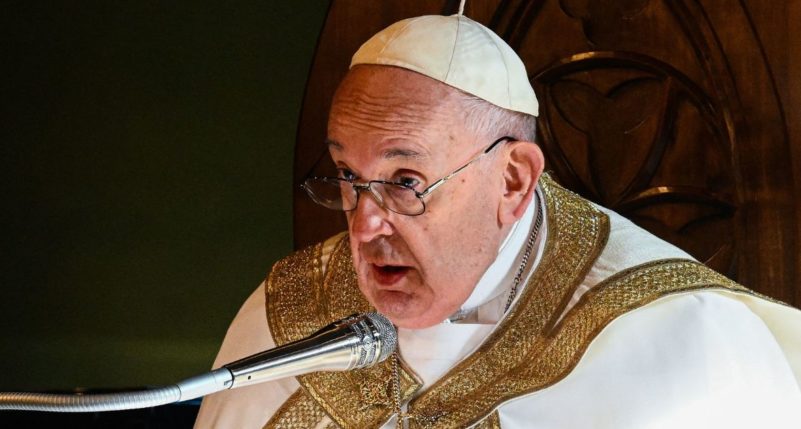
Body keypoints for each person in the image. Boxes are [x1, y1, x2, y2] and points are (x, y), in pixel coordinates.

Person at [195, 12, 801, 429]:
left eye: (405, 183)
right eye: (348, 179)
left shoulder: (677, 338)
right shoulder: (292, 315)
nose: (364, 227)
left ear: (512, 180)